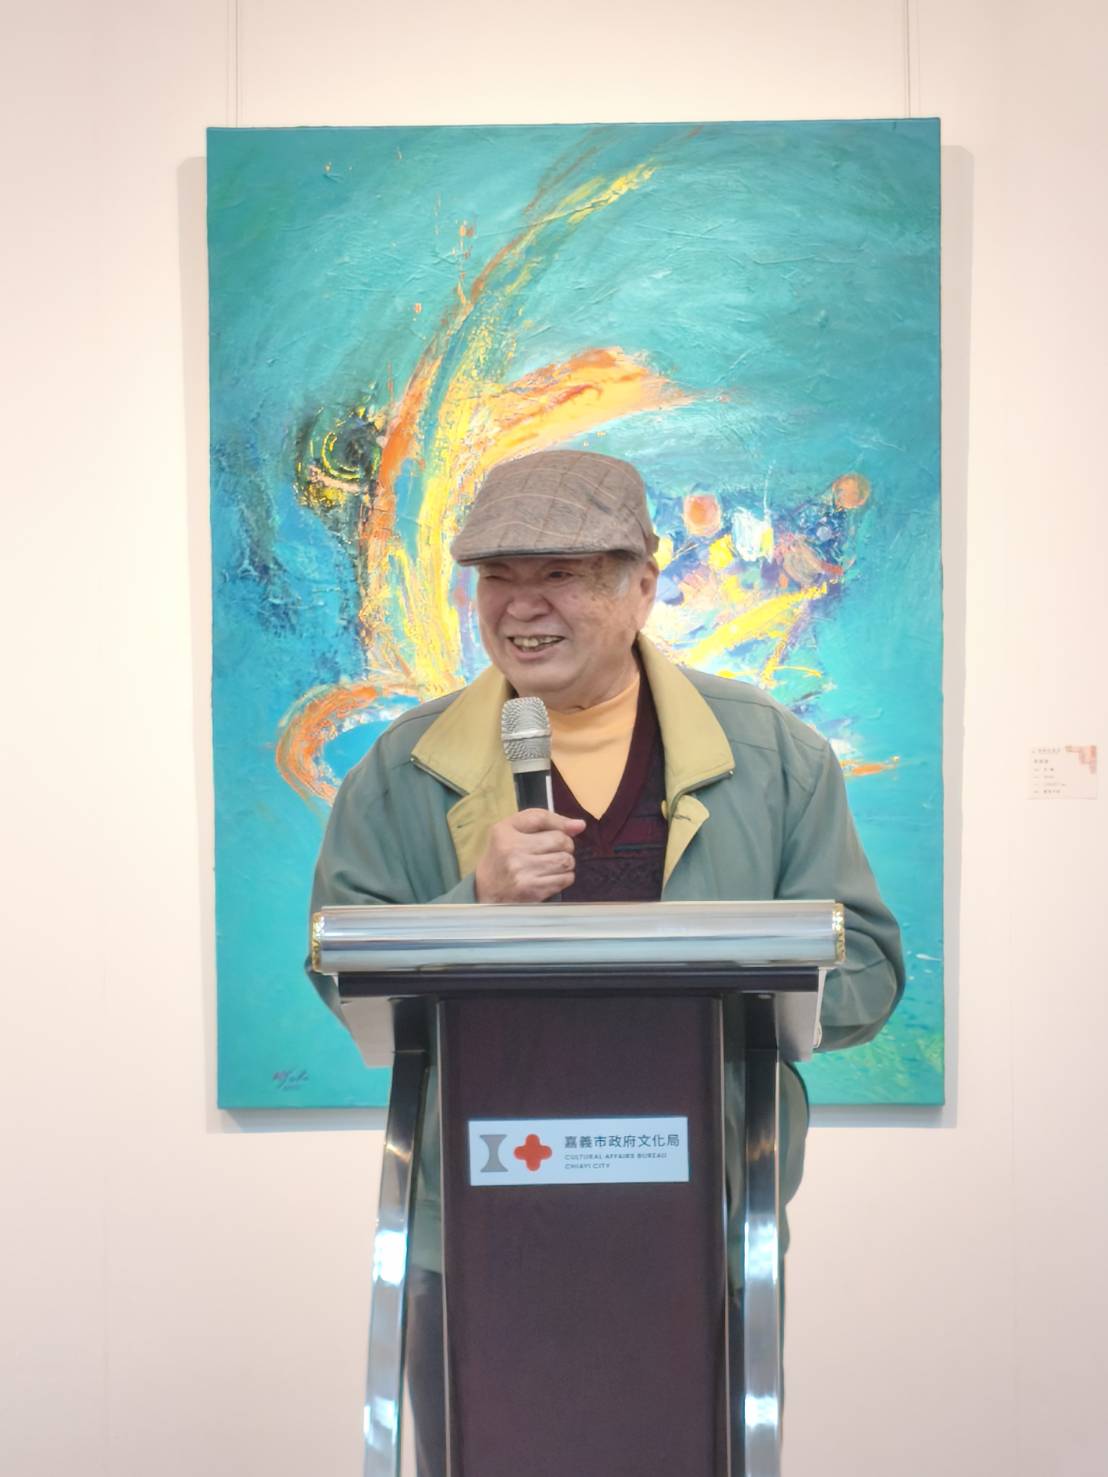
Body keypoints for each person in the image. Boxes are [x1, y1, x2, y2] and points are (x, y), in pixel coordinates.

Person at [309, 447, 904, 1473]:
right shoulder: (404, 769)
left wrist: (733, 972)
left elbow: (870, 975)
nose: (521, 605)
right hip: (478, 1230)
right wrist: (473, 906)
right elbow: (338, 968)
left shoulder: (774, 756)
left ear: (642, 587)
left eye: (561, 573)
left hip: (702, 1222)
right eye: (497, 576)